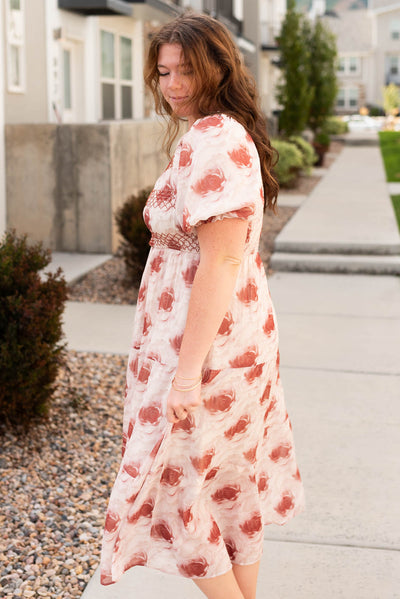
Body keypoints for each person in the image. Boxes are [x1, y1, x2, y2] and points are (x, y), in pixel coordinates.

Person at [100, 12, 305, 599]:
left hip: (207, 350)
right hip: (223, 340)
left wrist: (185, 377)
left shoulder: (216, 139)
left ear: (219, 66)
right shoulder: (218, 133)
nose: (172, 85)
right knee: (227, 490)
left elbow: (221, 261)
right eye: (163, 72)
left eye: (186, 70)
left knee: (182, 497)